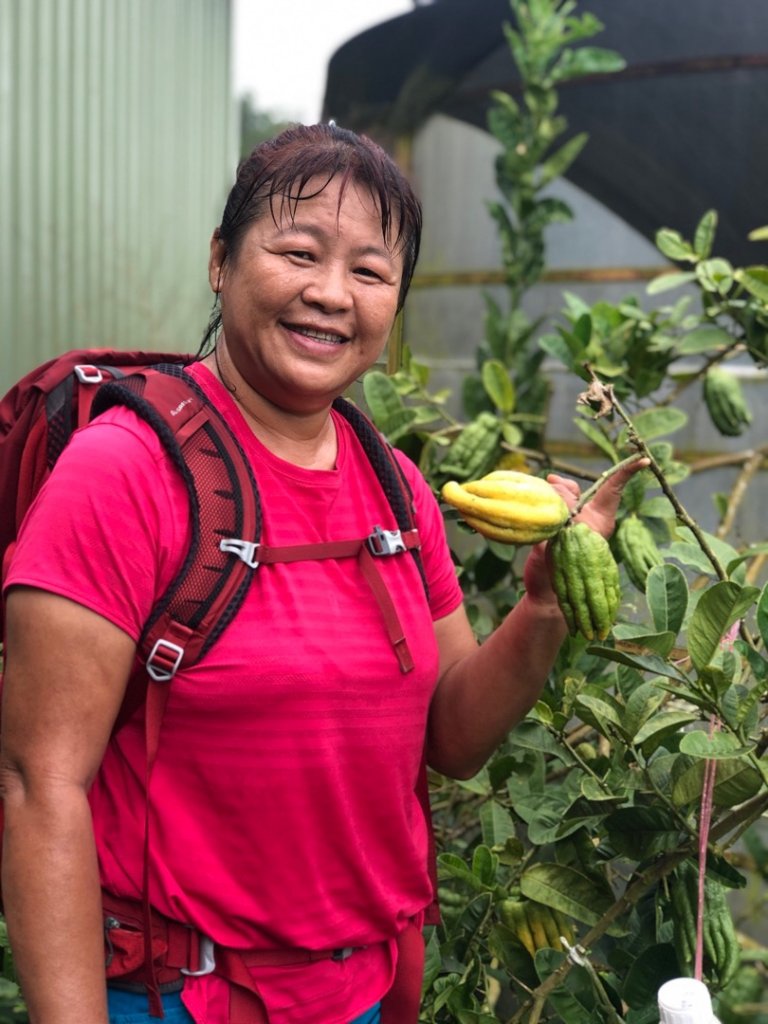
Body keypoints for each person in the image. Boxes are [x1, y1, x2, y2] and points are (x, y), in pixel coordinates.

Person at [0, 123, 643, 1024]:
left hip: (363, 994)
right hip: (177, 997)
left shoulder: (394, 486)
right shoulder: (125, 472)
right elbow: (40, 785)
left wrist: (544, 608)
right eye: (297, 252)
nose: (330, 294)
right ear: (221, 261)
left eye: (371, 273)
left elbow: (452, 738)